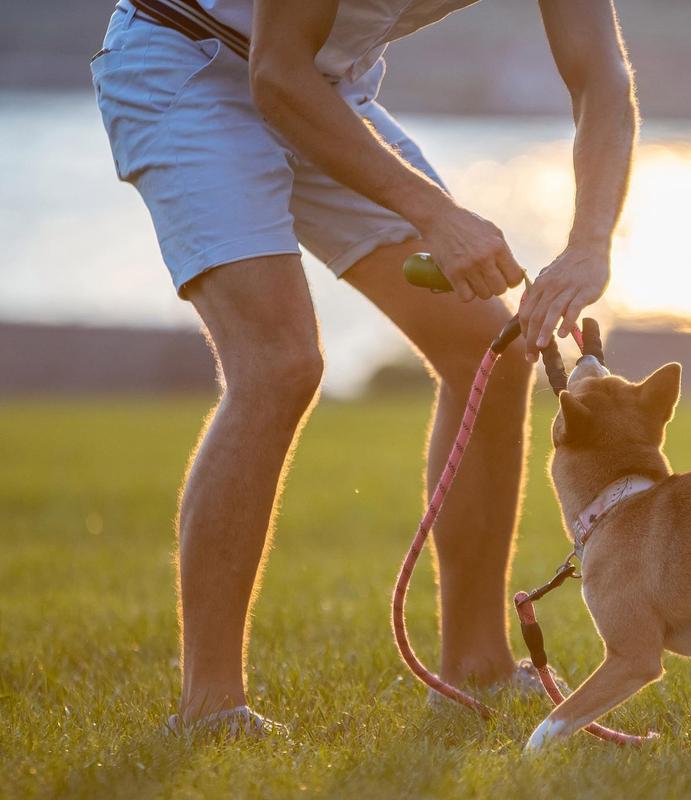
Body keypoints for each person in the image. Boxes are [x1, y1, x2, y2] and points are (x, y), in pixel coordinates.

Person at [89, 0, 637, 735]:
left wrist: (590, 243)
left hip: (329, 91)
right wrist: (438, 216)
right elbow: (276, 77)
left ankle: (476, 662)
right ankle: (210, 708)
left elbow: (601, 80)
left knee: (486, 348)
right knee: (279, 363)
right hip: (189, 62)